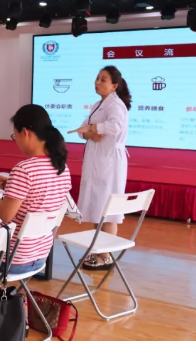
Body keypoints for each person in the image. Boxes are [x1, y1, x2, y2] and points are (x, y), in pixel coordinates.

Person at [0, 104, 72, 275]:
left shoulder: (24, 169)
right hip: (40, 255)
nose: (16, 141)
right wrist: (13, 185)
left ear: (26, 133)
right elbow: (38, 199)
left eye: (15, 135)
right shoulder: (62, 168)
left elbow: (6, 215)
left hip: (11, 259)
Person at [67, 66, 131, 270]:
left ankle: (106, 255)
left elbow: (115, 127)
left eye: (103, 79)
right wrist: (89, 133)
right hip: (97, 159)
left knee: (109, 209)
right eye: (97, 78)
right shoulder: (98, 104)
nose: (98, 82)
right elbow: (81, 128)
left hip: (110, 162)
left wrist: (93, 129)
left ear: (114, 85)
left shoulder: (116, 105)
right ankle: (98, 251)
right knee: (97, 207)